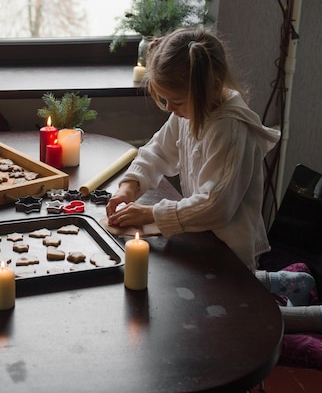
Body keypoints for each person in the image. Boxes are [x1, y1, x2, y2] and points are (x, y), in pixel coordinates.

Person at [105, 27, 322, 335]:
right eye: (165, 101)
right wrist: (130, 186)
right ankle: (286, 282)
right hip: (203, 239)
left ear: (212, 86)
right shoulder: (191, 110)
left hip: (229, 250)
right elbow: (156, 150)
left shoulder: (229, 129)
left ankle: (310, 317)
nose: (171, 111)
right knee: (206, 298)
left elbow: (215, 205)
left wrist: (151, 213)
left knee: (233, 322)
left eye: (176, 102)